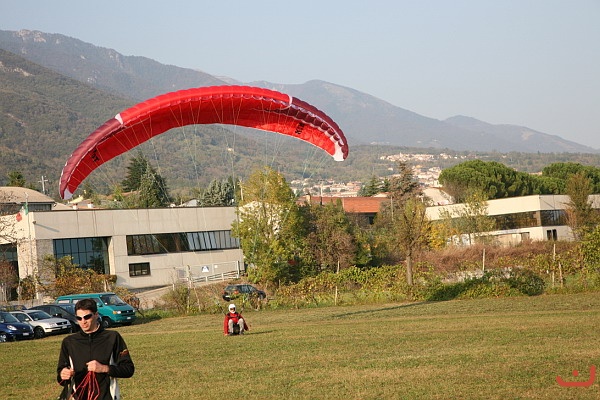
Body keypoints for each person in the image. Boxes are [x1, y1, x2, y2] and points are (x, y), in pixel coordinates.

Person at [57, 298, 135, 400]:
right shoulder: (69, 342)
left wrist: (104, 368)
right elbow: (60, 377)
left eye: (87, 317)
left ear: (96, 315)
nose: (83, 321)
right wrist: (63, 374)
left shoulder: (112, 337)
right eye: (79, 318)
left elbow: (128, 369)